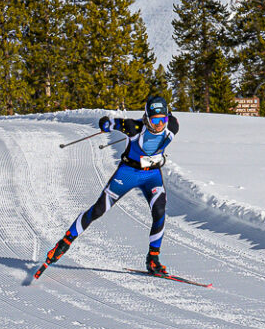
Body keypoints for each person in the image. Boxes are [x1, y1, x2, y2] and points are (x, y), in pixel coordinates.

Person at [39, 94, 179, 277]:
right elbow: (113, 124)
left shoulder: (173, 126)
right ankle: (64, 242)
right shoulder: (135, 128)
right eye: (155, 119)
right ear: (147, 117)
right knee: (99, 209)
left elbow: (169, 120)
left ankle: (153, 259)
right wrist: (105, 124)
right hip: (128, 173)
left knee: (159, 211)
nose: (160, 124)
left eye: (163, 119)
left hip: (152, 175)